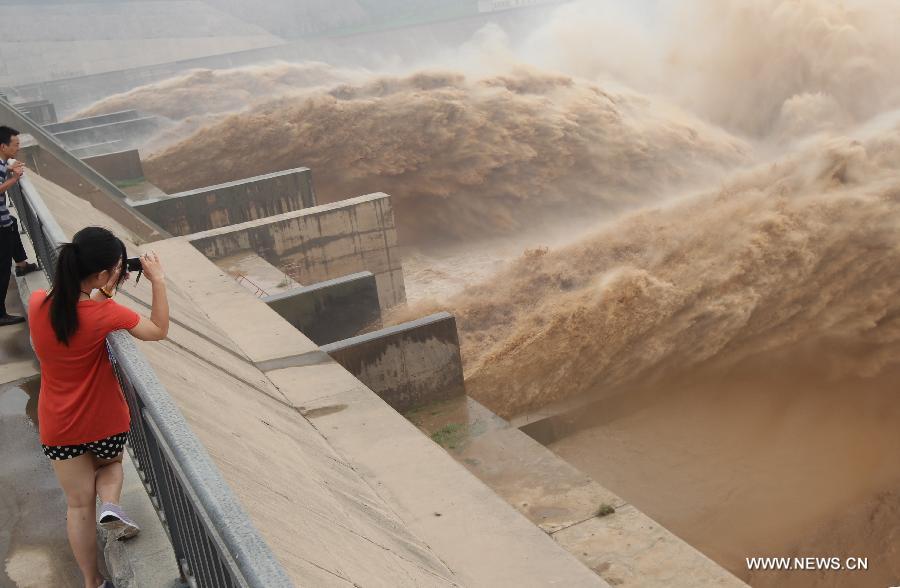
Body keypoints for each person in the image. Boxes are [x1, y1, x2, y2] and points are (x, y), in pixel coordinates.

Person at [28, 226, 169, 588]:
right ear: (105, 275)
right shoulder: (105, 315)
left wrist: (104, 284)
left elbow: (78, 306)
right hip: (104, 421)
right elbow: (157, 330)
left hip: (58, 426)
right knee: (111, 466)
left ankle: (92, 582)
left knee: (77, 507)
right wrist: (157, 281)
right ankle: (111, 504)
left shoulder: (37, 303)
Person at [0, 124, 39, 326]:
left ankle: (22, 264)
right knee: (3, 269)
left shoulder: (1, 163)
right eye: (15, 145)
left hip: (5, 222)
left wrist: (8, 168)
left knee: (13, 223)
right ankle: (1, 314)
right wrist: (15, 178)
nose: (17, 148)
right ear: (3, 146)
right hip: (0, 226)